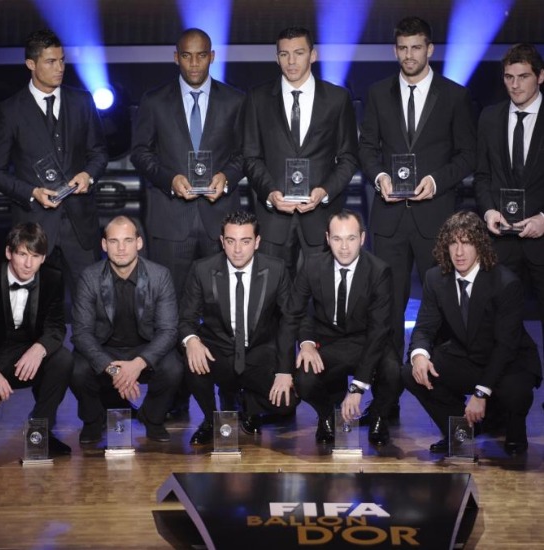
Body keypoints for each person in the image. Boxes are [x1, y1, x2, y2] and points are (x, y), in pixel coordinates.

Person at [358, 16, 476, 360]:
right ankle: (389, 387)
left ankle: (439, 379)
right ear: (395, 51)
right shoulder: (378, 93)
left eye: (416, 47)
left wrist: (436, 181)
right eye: (403, 48)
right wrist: (380, 177)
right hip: (389, 218)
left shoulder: (454, 95)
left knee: (444, 303)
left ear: (430, 49)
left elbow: (468, 155)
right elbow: (367, 148)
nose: (409, 55)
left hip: (435, 218)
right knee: (387, 307)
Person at [402, 211, 542, 455]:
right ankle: (461, 430)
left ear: (479, 246)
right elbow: (424, 326)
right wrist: (420, 355)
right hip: (466, 355)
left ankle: (512, 425)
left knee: (514, 391)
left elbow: (505, 346)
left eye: (466, 243)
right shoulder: (435, 278)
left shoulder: (505, 282)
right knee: (411, 371)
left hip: (508, 361)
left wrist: (480, 393)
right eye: (453, 243)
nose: (459, 252)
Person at [0, 29, 108, 298]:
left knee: (91, 302)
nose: (59, 68)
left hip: (80, 224)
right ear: (31, 64)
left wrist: (88, 175)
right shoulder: (9, 111)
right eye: (51, 62)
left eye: (62, 60)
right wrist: (31, 192)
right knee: (36, 305)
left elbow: (98, 152)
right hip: (33, 226)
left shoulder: (82, 101)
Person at [131, 27, 245, 297]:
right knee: (169, 303)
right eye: (186, 55)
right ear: (176, 57)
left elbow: (245, 153)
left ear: (212, 56)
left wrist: (226, 177)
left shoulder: (236, 101)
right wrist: (169, 180)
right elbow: (140, 152)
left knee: (222, 303)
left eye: (201, 55)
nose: (194, 63)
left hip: (220, 222)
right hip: (170, 221)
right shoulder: (154, 101)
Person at [243, 26, 358, 278]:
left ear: (313, 55)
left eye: (299, 53)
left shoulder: (337, 99)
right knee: (271, 296)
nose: (291, 61)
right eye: (284, 54)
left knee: (324, 296)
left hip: (322, 218)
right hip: (273, 219)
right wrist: (270, 193)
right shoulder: (257, 98)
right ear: (277, 58)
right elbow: (251, 157)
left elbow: (349, 157)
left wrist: (324, 191)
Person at [279, 209, 401, 446]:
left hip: (367, 341)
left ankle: (378, 416)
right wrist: (297, 354)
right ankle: (327, 415)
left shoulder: (379, 271)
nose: (344, 247)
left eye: (351, 238)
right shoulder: (313, 266)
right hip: (328, 341)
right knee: (303, 377)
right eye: (337, 239)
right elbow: (292, 315)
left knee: (394, 371)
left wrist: (357, 387)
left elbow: (379, 331)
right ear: (327, 238)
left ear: (362, 238)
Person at [0, 223, 73, 455]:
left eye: (35, 256)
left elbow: (56, 326)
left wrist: (39, 348)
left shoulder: (53, 277)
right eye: (22, 254)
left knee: (63, 360)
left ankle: (40, 433)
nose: (28, 264)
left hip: (27, 350)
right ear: (9, 252)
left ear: (43, 258)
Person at [179, 211, 296, 444]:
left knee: (287, 403)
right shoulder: (202, 269)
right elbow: (185, 319)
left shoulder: (276, 269)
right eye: (231, 241)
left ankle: (246, 405)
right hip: (218, 351)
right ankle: (212, 418)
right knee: (190, 359)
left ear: (257, 242)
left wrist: (284, 370)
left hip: (259, 353)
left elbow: (289, 319)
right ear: (222, 241)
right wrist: (191, 340)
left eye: (245, 241)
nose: (238, 249)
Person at [70, 216, 181, 444]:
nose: (121, 248)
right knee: (76, 368)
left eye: (128, 240)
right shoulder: (90, 277)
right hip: (105, 349)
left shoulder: (159, 276)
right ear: (104, 245)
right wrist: (113, 370)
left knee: (174, 367)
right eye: (114, 241)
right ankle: (93, 421)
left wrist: (137, 364)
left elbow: (168, 330)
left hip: (144, 348)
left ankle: (152, 418)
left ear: (139, 243)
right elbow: (81, 333)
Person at [474, 43, 544, 342]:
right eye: (508, 77)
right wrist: (489, 210)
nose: (515, 85)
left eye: (523, 76)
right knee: (498, 329)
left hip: (542, 239)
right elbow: (482, 175)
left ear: (540, 76)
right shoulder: (490, 117)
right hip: (501, 241)